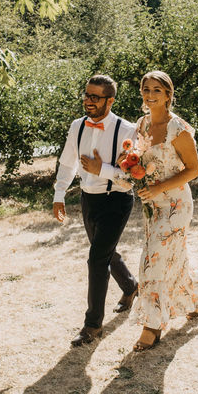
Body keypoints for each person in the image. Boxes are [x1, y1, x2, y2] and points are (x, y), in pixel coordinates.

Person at [53, 74, 138, 347]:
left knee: (96, 259)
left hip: (117, 200)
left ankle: (93, 325)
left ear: (110, 100)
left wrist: (100, 168)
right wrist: (59, 194)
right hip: (88, 200)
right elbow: (67, 163)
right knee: (105, 253)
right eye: (86, 95)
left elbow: (133, 178)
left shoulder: (127, 130)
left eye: (95, 97)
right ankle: (130, 286)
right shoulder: (77, 126)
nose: (88, 101)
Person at [129, 70, 198, 351]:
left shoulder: (179, 129)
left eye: (157, 90)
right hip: (151, 205)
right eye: (146, 89)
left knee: (153, 260)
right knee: (173, 261)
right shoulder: (141, 124)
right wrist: (130, 166)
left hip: (176, 204)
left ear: (168, 95)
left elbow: (194, 169)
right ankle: (195, 294)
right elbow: (137, 156)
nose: (150, 95)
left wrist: (159, 188)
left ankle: (152, 326)